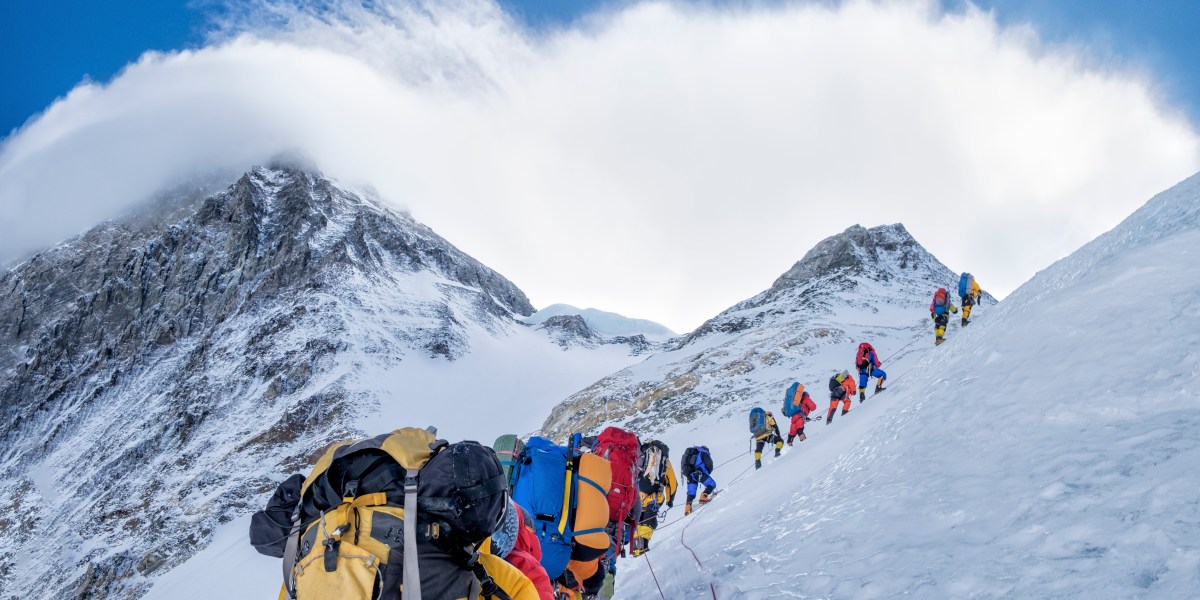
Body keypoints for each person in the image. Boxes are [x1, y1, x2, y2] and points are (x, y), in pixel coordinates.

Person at [631, 440, 676, 557]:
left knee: (639, 520)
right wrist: (670, 500)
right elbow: (672, 482)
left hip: (638, 496)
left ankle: (636, 548)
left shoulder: (641, 457)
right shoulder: (665, 461)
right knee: (649, 518)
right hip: (655, 496)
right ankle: (643, 546)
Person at [680, 445, 716, 515]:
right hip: (699, 473)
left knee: (691, 491)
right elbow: (709, 465)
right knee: (712, 484)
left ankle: (688, 508)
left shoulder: (692, 454)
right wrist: (707, 474)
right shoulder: (704, 453)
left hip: (690, 475)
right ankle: (703, 497)